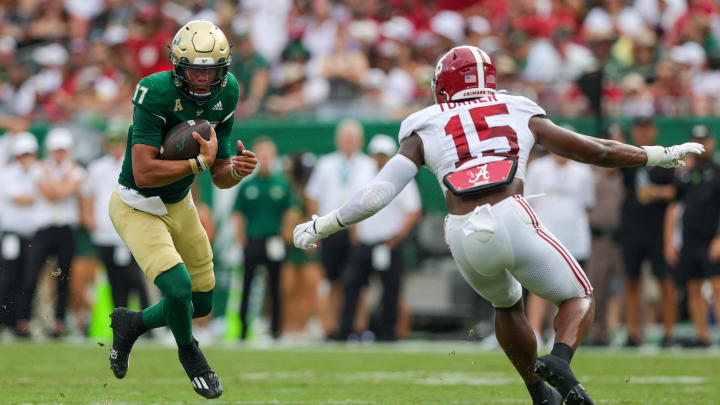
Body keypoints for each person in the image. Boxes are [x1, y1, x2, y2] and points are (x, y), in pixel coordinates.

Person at [293, 45, 703, 405]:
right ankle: (558, 360)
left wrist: (321, 226)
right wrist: (658, 154)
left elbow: (379, 194)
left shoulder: (424, 124)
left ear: (444, 85)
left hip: (462, 233)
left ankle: (537, 391)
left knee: (507, 304)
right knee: (580, 296)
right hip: (511, 213)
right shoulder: (518, 107)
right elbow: (595, 150)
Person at [105, 21, 257, 399]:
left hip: (178, 201)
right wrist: (198, 166)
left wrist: (235, 170)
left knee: (200, 302)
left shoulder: (229, 92)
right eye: (195, 69)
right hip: (137, 203)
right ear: (177, 65)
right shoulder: (154, 92)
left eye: (211, 70)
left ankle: (132, 324)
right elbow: (143, 170)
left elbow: (219, 172)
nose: (204, 80)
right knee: (178, 288)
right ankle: (190, 354)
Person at [335, 134, 421, 342]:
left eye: (384, 155)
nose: (380, 159)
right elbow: (350, 205)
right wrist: (354, 232)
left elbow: (413, 211)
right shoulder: (362, 175)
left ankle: (388, 333)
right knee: (352, 287)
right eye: (377, 155)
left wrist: (397, 237)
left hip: (388, 244)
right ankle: (346, 330)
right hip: (363, 243)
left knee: (391, 290)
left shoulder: (402, 180)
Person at [304, 119, 375, 336]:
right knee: (332, 281)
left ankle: (359, 327)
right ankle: (332, 328)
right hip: (331, 229)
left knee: (360, 283)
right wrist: (314, 229)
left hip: (358, 231)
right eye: (346, 138)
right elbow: (312, 197)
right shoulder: (326, 164)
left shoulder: (369, 165)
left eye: (353, 138)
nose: (349, 142)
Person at [16, 127, 85, 339]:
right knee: (31, 274)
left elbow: (60, 192)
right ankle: (23, 321)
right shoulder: (54, 170)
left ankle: (59, 323)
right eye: (56, 150)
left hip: (65, 229)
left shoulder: (66, 170)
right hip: (43, 229)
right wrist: (59, 182)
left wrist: (51, 179)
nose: (59, 154)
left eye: (62, 150)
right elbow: (52, 195)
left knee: (63, 277)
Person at [524, 150, 595, 349]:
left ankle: (561, 337)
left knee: (571, 294)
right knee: (538, 287)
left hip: (575, 241)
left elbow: (588, 205)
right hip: (544, 239)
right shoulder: (537, 168)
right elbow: (528, 202)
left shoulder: (583, 171)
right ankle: (535, 334)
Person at [619, 117, 678, 347]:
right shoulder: (628, 157)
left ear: (654, 130)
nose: (643, 133)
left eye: (646, 128)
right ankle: (633, 332)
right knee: (631, 280)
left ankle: (669, 333)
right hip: (632, 228)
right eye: (639, 128)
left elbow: (678, 190)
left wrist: (657, 192)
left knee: (665, 280)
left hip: (658, 229)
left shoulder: (666, 157)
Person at [81, 127, 149, 311]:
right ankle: (121, 320)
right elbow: (88, 195)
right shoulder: (97, 167)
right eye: (111, 143)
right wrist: (89, 219)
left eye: (118, 142)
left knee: (135, 278)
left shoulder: (133, 164)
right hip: (104, 230)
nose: (115, 147)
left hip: (128, 231)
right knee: (113, 279)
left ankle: (146, 322)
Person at [233, 137, 294, 340]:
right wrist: (241, 237)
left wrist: (286, 232)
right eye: (262, 155)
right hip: (253, 241)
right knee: (248, 285)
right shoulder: (248, 185)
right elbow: (238, 213)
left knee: (276, 287)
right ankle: (243, 330)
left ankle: (276, 330)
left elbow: (290, 209)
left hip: (274, 241)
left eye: (269, 155)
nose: (266, 160)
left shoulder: (281, 184)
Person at [665, 124, 720, 347]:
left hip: (711, 238)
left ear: (712, 142)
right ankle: (702, 336)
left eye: (705, 141)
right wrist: (669, 241)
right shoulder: (685, 173)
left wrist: (718, 238)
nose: (702, 146)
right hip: (689, 239)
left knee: (717, 286)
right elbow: (674, 207)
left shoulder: (717, 171)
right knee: (693, 286)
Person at [0, 133, 42, 335]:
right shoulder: (8, 173)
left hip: (32, 235)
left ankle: (21, 321)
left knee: (29, 278)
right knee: (9, 277)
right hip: (12, 234)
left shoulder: (39, 172)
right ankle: (5, 320)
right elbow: (21, 198)